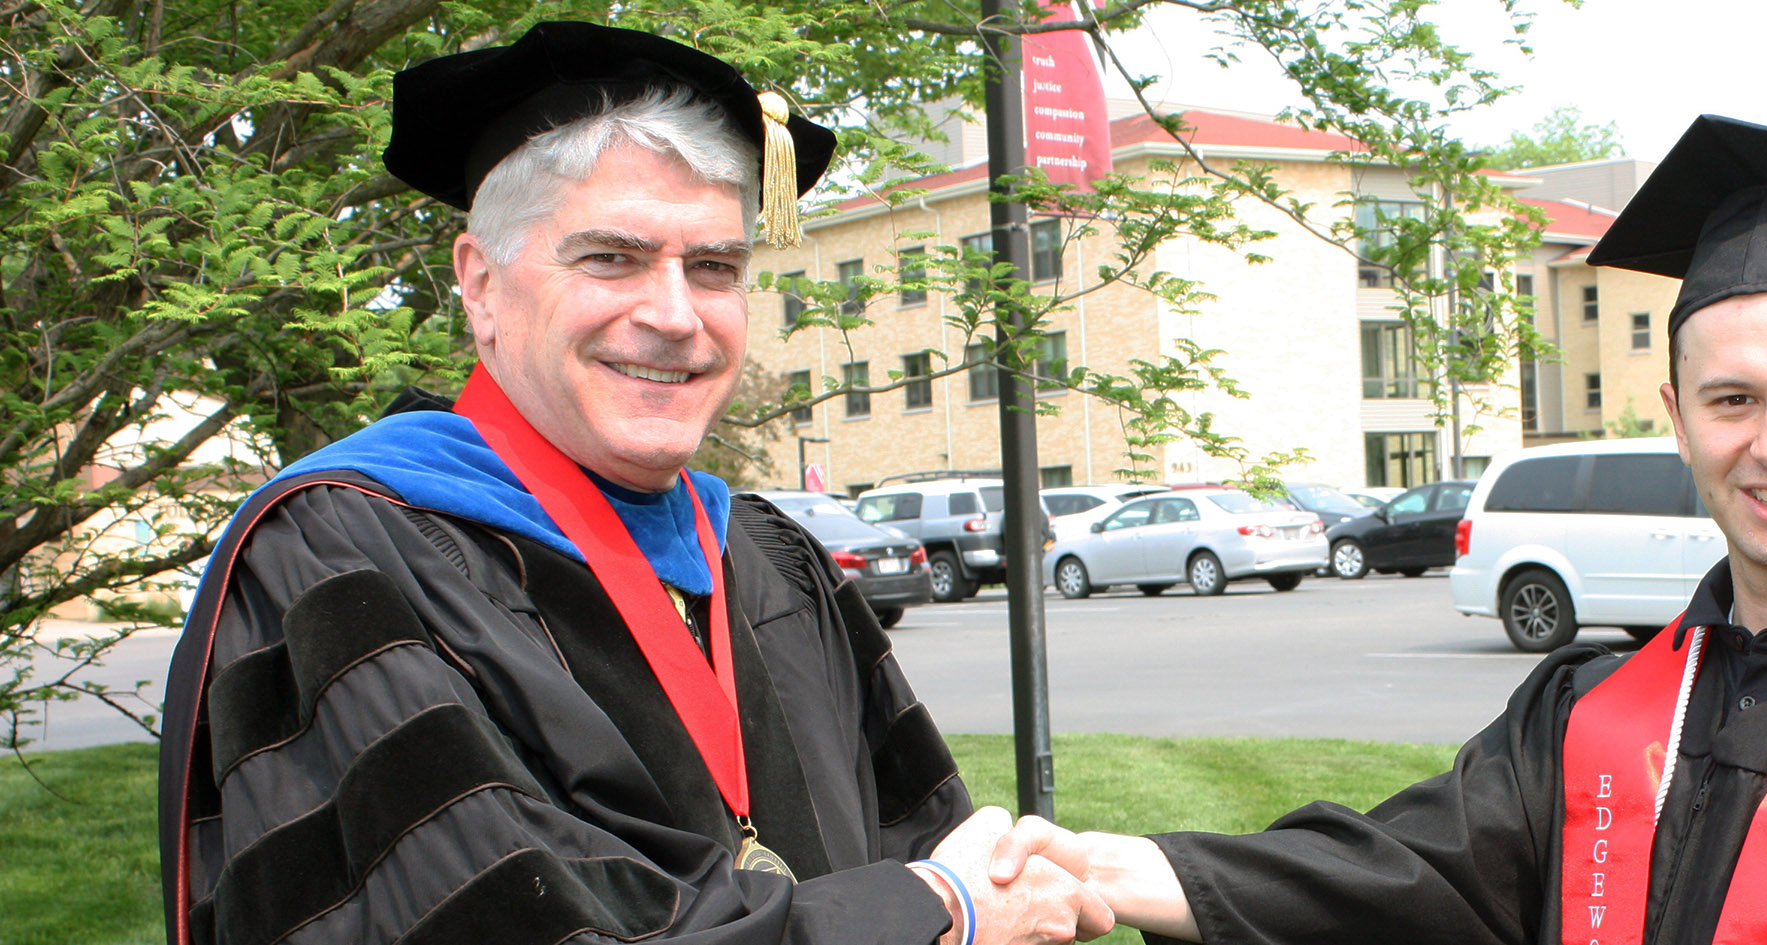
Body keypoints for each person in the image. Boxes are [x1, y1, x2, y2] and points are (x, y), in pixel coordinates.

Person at [986, 115, 1767, 944]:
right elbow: (1395, 880)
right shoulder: (1592, 712)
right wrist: (1108, 870)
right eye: (1732, 400)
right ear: (1677, 420)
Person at [156, 22, 1107, 945]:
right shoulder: (342, 558)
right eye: (611, 257)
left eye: (715, 266)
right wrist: (931, 912)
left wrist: (993, 889)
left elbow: (926, 845)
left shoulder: (769, 556)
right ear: (481, 284)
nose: (674, 314)